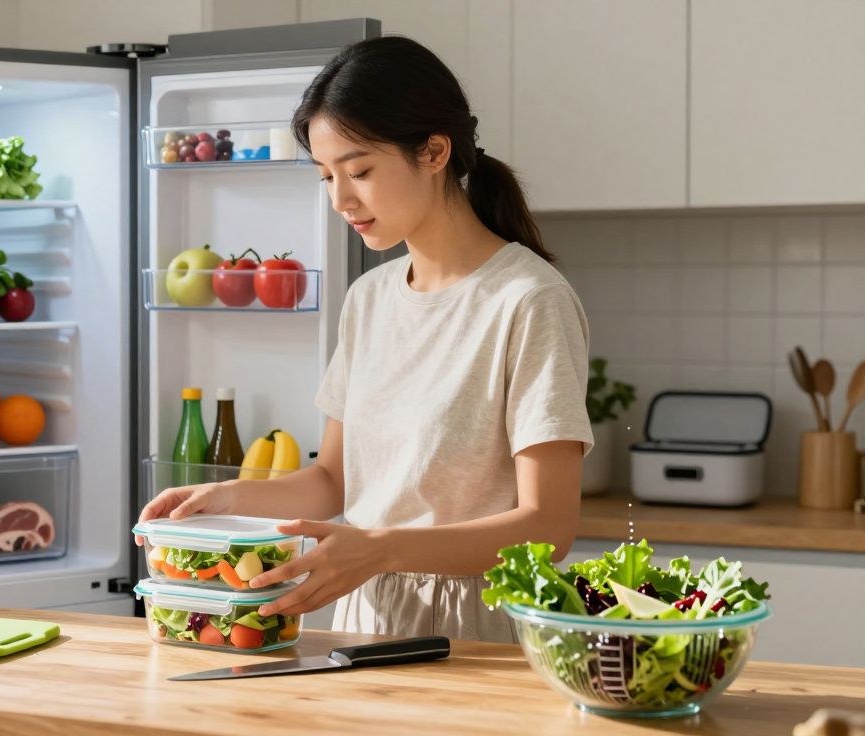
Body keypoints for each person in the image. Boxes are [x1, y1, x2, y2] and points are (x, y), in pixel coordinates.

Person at [137, 36, 592, 643]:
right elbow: (335, 481)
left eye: (359, 171)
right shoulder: (369, 298)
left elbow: (549, 527)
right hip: (363, 620)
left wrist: (378, 549)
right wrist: (224, 497)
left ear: (433, 151)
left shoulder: (528, 300)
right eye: (326, 177)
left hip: (478, 626)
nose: (340, 200)